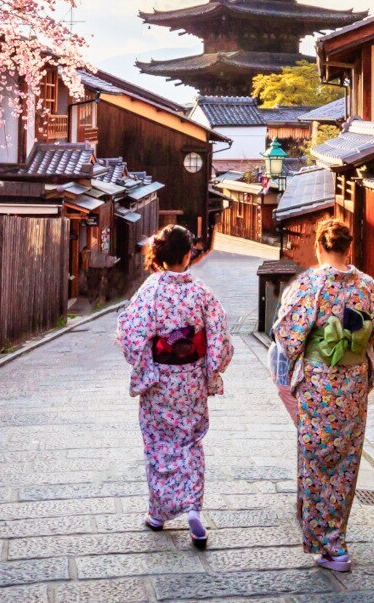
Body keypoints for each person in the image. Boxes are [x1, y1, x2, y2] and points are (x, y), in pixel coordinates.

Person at [273, 218, 374, 572]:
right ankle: (337, 538)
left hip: (321, 383)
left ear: (320, 247)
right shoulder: (366, 285)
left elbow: (287, 335)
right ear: (348, 248)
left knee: (316, 457)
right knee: (346, 460)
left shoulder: (310, 284)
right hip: (352, 382)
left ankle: (329, 544)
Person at [114, 224, 234, 548]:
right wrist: (212, 368)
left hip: (160, 382)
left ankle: (158, 513)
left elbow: (129, 332)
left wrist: (145, 363)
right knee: (189, 443)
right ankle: (193, 507)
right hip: (191, 379)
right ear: (187, 255)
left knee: (158, 444)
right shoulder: (200, 292)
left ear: (161, 254)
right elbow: (219, 335)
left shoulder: (150, 291)